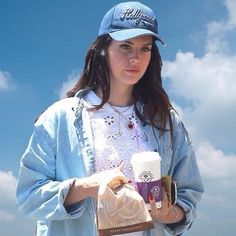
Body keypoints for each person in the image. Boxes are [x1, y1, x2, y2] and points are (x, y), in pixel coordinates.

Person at [16, 1, 204, 236]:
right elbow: (29, 196)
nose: (136, 58)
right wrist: (88, 186)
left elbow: (189, 193)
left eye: (145, 48)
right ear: (103, 49)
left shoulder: (166, 121)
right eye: (125, 46)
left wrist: (168, 214)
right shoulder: (59, 118)